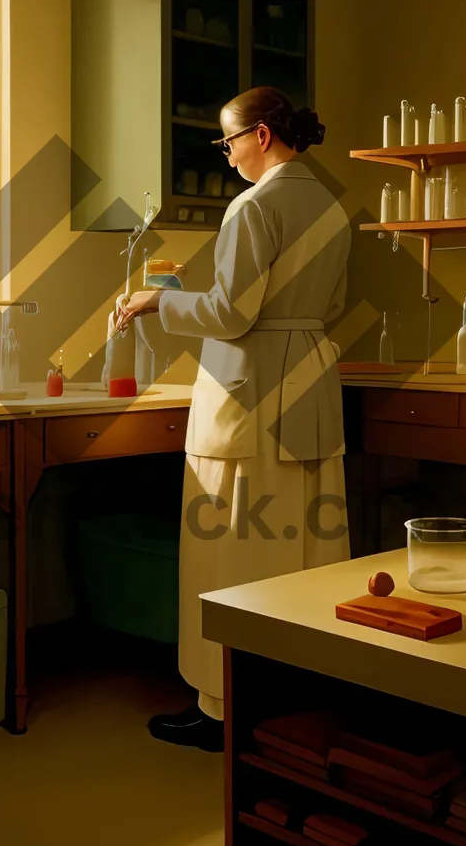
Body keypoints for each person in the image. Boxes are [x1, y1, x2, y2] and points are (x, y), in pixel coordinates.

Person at [115, 86, 353, 753]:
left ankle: (223, 708)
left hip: (250, 396)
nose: (226, 158)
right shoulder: (331, 207)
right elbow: (328, 302)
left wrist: (156, 301)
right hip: (308, 381)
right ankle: (295, 699)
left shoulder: (255, 207)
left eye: (228, 142)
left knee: (233, 552)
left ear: (264, 136)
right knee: (306, 551)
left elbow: (230, 313)